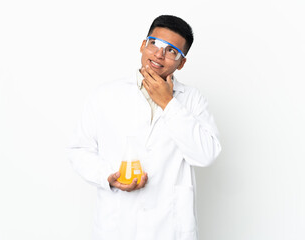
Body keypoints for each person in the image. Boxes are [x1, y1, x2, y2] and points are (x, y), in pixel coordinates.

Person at [69, 15, 221, 240]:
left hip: (170, 228)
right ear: (143, 45)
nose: (159, 54)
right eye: (154, 44)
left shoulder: (191, 100)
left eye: (171, 51)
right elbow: (79, 151)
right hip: (117, 225)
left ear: (182, 62)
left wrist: (168, 104)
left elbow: (206, 155)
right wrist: (107, 177)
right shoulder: (105, 95)